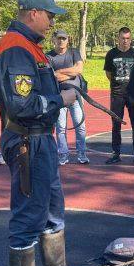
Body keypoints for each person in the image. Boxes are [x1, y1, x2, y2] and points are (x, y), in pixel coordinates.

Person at [0, 0, 88, 266]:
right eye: (49, 15)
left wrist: (63, 88)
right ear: (33, 13)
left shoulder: (31, 47)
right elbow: (22, 105)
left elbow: (37, 90)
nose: (51, 22)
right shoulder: (16, 48)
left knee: (52, 205)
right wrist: (62, 100)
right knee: (28, 213)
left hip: (41, 138)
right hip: (27, 140)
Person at [47, 29, 88, 165]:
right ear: (54, 39)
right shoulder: (49, 57)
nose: (61, 41)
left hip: (76, 96)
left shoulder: (74, 52)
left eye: (64, 38)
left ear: (67, 40)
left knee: (80, 126)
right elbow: (52, 76)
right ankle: (63, 154)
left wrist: (59, 72)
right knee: (60, 128)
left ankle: (82, 153)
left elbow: (79, 70)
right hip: (60, 98)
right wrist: (70, 73)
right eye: (59, 38)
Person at [103, 27, 134, 164]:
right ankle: (116, 153)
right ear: (118, 38)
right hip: (116, 95)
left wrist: (128, 84)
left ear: (130, 39)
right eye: (122, 38)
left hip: (132, 95)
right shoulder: (111, 54)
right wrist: (118, 84)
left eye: (127, 38)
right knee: (116, 125)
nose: (125, 41)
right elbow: (108, 74)